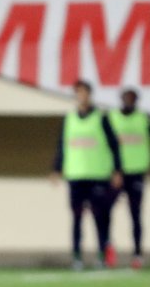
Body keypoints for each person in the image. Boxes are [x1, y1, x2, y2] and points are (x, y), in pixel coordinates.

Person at [51, 79, 124, 270]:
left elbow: (114, 145)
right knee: (76, 218)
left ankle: (102, 255)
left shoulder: (101, 117)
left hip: (97, 175)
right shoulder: (70, 119)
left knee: (99, 217)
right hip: (75, 175)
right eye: (78, 92)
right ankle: (76, 256)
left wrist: (117, 170)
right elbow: (62, 145)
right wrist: (56, 169)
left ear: (89, 94)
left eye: (84, 92)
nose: (81, 96)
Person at [107, 88, 148, 269]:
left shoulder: (143, 119)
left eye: (132, 98)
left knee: (136, 215)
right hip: (117, 173)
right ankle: (107, 249)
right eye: (126, 98)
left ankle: (137, 253)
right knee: (105, 211)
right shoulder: (112, 118)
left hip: (136, 172)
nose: (128, 101)